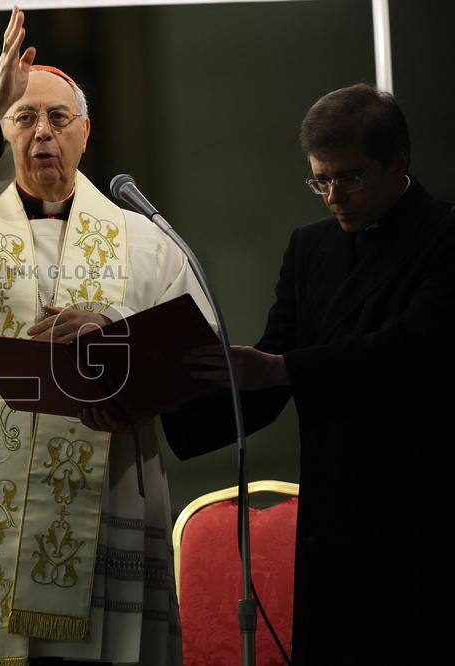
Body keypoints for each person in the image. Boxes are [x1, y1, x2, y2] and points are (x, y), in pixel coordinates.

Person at [0, 7, 211, 665]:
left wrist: (115, 339)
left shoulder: (146, 242)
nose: (42, 132)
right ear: (2, 133)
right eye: (24, 118)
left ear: (85, 133)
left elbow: (197, 362)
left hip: (107, 505)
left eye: (59, 118)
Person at [163, 83, 455, 662]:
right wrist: (167, 391)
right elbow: (273, 371)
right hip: (336, 513)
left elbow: (408, 352)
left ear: (398, 163)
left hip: (421, 504)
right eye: (320, 180)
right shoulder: (311, 249)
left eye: (350, 178)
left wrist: (280, 369)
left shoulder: (444, 236)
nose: (333, 197)